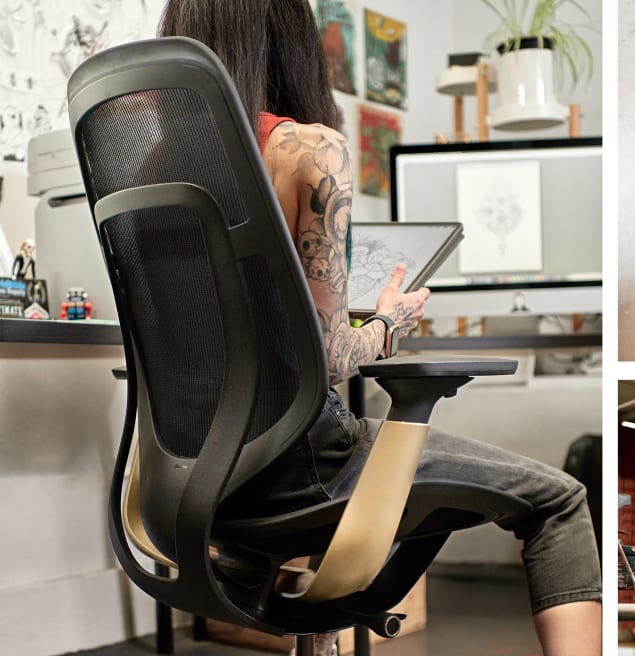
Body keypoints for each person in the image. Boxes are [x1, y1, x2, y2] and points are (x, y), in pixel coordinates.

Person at [156, 2, 601, 655]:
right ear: (290, 41)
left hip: (190, 483)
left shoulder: (152, 164)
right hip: (300, 474)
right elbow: (332, 357)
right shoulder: (310, 149)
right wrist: (387, 321)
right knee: (559, 498)